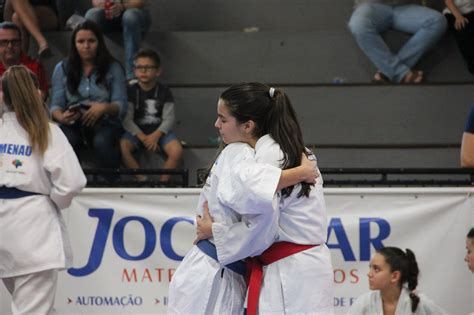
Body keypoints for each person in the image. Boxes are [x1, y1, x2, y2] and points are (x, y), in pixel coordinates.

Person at [168, 87, 320, 313]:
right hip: (215, 269)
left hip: (216, 269)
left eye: (222, 119)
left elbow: (255, 193)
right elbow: (255, 197)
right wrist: (301, 173)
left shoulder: (255, 153)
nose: (216, 125)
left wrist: (215, 231)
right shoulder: (242, 152)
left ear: (247, 126)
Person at [0, 65, 86, 314]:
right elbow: (72, 182)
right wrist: (53, 201)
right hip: (33, 229)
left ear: (3, 95)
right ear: (38, 93)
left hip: (4, 232)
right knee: (33, 309)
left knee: (39, 308)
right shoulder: (46, 131)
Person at [49, 20, 127, 178]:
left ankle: (111, 184)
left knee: (102, 141)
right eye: (81, 41)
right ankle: (69, 186)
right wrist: (63, 117)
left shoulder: (113, 67)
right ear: (74, 44)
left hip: (106, 122)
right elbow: (55, 106)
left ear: (99, 42)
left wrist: (104, 108)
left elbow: (121, 105)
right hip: (74, 122)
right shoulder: (62, 68)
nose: (86, 46)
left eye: (91, 41)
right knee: (66, 139)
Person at [121, 48, 183, 182]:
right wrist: (142, 137)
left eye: (148, 67)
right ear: (134, 70)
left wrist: (156, 135)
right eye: (140, 67)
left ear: (158, 71)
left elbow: (169, 118)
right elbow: (127, 119)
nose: (143, 71)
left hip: (159, 131)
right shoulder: (130, 91)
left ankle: (163, 182)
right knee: (124, 146)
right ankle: (141, 178)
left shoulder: (164, 91)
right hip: (137, 132)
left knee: (176, 150)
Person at [348, 0, 447, 83]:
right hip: (372, 6)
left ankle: (389, 71)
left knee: (437, 21)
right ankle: (400, 73)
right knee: (358, 25)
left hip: (403, 7)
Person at [349, 247, 447, 315]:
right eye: (370, 268)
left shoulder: (420, 303)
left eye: (376, 269)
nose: (369, 274)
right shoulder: (364, 302)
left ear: (394, 276)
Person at [85, 0, 151, 80]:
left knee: (130, 16)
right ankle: (92, 75)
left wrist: (122, 6)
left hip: (137, 13)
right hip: (111, 15)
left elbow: (140, 2)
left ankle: (132, 77)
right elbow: (95, 2)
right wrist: (104, 4)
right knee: (91, 15)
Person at [0, 21, 48, 99]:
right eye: (4, 42)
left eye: (14, 41)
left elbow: (42, 96)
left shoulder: (35, 67)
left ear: (21, 43)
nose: (9, 46)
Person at [443, 0, 474, 74]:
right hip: (454, 13)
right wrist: (458, 17)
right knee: (463, 31)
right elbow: (448, 1)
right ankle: (472, 64)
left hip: (471, 10)